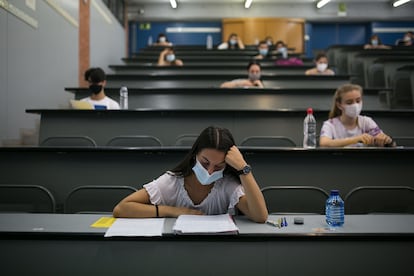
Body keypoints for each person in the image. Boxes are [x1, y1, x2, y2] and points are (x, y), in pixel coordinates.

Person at [113, 126, 268, 223]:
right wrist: (173, 211)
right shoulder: (173, 182)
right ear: (195, 155)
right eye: (205, 162)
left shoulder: (227, 186)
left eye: (218, 166)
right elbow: (122, 208)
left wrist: (243, 169)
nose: (210, 171)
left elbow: (260, 216)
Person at [319, 84, 393, 147]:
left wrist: (387, 141)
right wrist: (356, 139)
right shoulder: (330, 124)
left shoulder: (366, 121)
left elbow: (385, 141)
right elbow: (324, 143)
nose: (355, 105)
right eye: (349, 102)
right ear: (339, 105)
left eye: (358, 101)